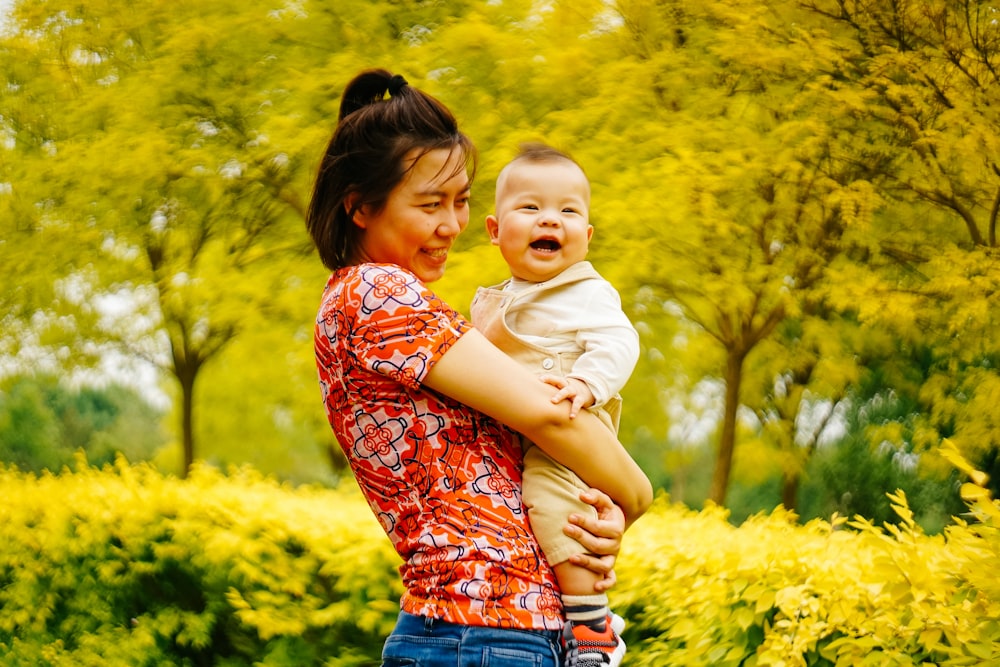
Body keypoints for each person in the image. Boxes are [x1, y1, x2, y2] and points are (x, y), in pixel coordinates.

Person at [306, 68, 653, 667]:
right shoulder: (378, 291)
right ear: (360, 207)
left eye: (461, 201)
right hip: (481, 633)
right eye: (430, 204)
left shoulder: (369, 297)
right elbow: (550, 415)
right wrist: (635, 497)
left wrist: (588, 518)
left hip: (482, 630)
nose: (452, 225)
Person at [470, 143, 641, 666]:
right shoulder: (495, 298)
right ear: (495, 231)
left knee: (557, 511)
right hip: (513, 434)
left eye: (569, 211)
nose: (551, 219)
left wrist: (588, 384)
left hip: (566, 432)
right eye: (531, 208)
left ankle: (592, 630)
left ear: (586, 237)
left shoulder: (586, 291)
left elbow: (619, 342)